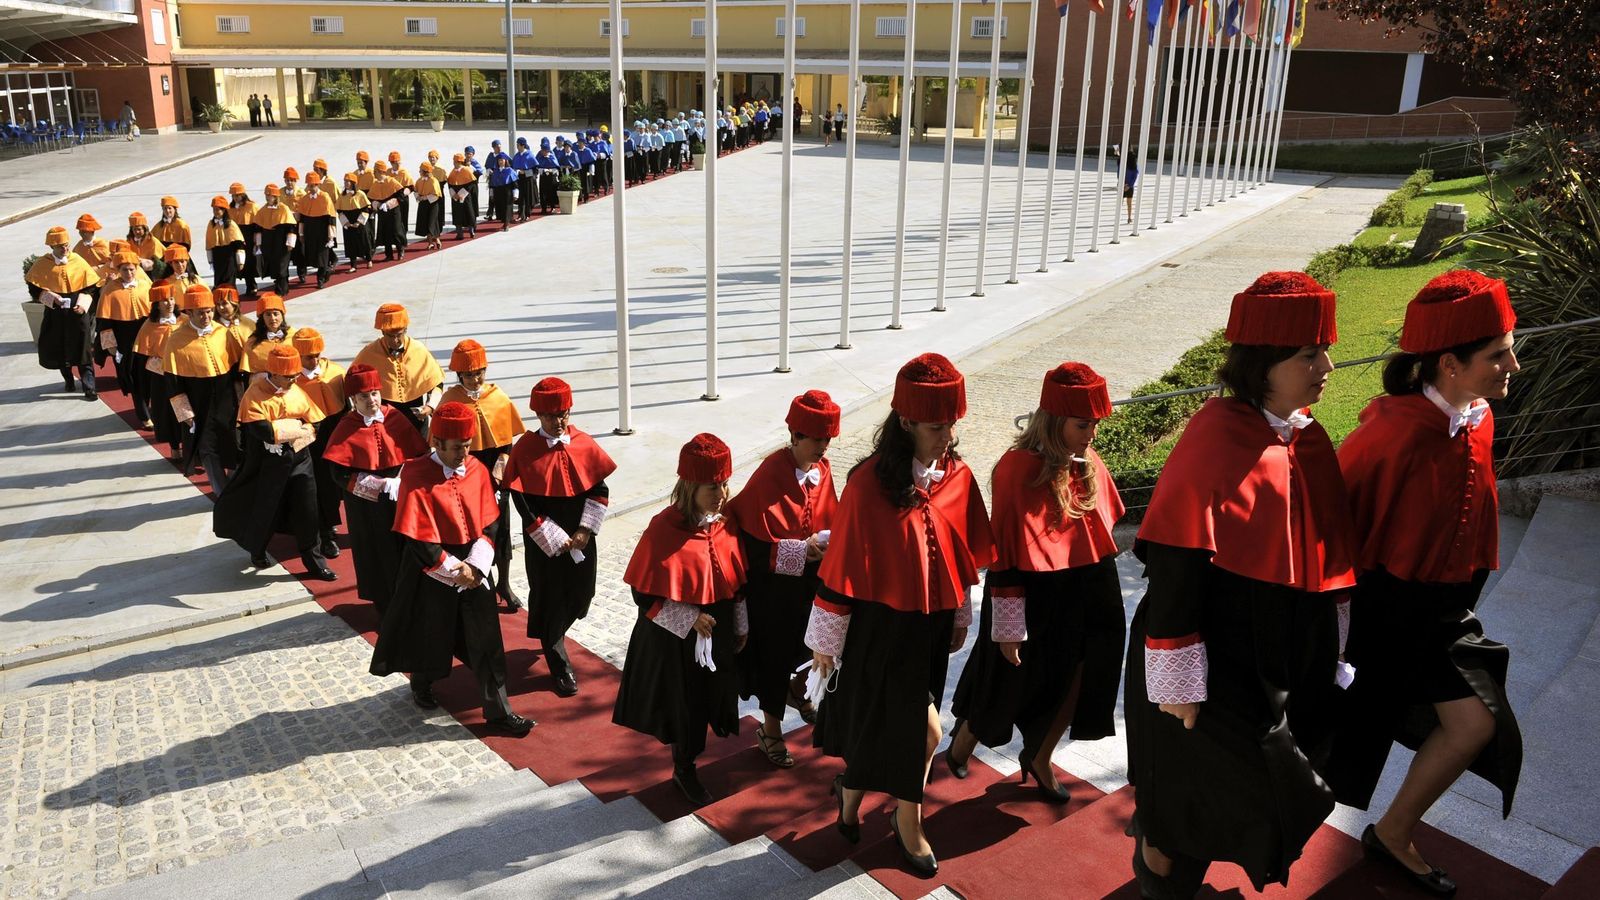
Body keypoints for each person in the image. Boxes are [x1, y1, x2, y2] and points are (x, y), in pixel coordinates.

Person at [1124, 271, 1356, 897]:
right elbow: (1174, 566)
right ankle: (1156, 861)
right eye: (1309, 354)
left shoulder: (1305, 435)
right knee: (1217, 797)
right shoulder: (1215, 436)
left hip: (1273, 652)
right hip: (1209, 657)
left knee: (1225, 795)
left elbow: (1322, 552)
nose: (1326, 365)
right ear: (1264, 363)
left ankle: (1163, 856)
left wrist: (1329, 647)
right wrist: (1177, 685)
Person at [1326, 270, 1524, 897]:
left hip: (1443, 615)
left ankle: (1393, 832)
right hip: (1381, 617)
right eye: (1498, 355)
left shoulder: (1478, 417)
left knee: (1477, 724)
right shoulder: (1388, 434)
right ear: (1449, 363)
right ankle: (1183, 833)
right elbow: (1322, 521)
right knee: (1327, 761)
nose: (1512, 365)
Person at [805, 353, 994, 879]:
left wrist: (959, 615)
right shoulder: (867, 482)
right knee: (926, 734)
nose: (947, 436)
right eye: (937, 427)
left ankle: (850, 795)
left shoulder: (958, 476)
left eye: (952, 425)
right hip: (879, 632)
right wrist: (825, 643)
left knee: (886, 735)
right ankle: (908, 822)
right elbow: (841, 568)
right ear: (906, 422)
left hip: (929, 629)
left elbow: (962, 552)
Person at [946, 363, 1126, 803]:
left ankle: (1040, 756)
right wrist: (1009, 625)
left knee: (1084, 674)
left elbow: (1100, 528)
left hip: (1090, 586)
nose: (1092, 435)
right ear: (1054, 420)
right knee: (1005, 677)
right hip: (1030, 591)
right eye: (1083, 424)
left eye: (1096, 425)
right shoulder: (1015, 468)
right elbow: (1006, 552)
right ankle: (963, 741)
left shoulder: (1087, 458)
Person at [369, 401, 536, 738]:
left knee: (487, 642)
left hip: (474, 564)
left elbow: (489, 521)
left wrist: (477, 565)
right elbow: (417, 537)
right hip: (430, 568)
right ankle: (423, 679)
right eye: (458, 447)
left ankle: (499, 712)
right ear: (436, 443)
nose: (465, 453)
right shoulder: (415, 474)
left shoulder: (475, 469)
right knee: (434, 637)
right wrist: (451, 569)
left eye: (468, 445)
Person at [613, 434, 749, 806]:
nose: (720, 493)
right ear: (689, 486)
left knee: (711, 698)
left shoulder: (724, 523)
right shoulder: (663, 528)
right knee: (686, 705)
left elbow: (735, 582)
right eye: (711, 486)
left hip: (717, 629)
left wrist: (740, 624)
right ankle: (684, 768)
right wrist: (689, 618)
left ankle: (691, 756)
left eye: (723, 483)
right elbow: (644, 595)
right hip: (678, 640)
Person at [727, 390, 840, 768]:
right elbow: (751, 544)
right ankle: (770, 730)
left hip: (810, 584)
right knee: (774, 659)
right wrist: (798, 550)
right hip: (772, 591)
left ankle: (798, 688)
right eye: (816, 440)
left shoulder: (823, 472)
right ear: (795, 436)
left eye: (827, 440)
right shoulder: (770, 473)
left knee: (817, 646)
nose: (822, 447)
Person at [505, 377, 616, 697]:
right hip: (544, 540)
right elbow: (523, 503)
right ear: (539, 415)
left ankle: (551, 631)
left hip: (582, 535)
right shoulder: (525, 450)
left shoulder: (583, 442)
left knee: (583, 595)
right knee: (552, 598)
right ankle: (558, 660)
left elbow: (600, 489)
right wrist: (552, 537)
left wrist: (584, 531)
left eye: (564, 414)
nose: (559, 422)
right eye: (553, 417)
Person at [212, 343, 336, 579]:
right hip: (268, 464)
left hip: (301, 460)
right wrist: (297, 426)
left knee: (308, 510)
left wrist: (286, 429)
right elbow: (263, 431)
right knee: (265, 509)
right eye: (288, 377)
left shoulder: (297, 390)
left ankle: (314, 561)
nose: (293, 380)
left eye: (294, 375)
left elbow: (316, 423)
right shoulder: (254, 393)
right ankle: (257, 549)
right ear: (274, 373)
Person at [322, 363, 428, 617]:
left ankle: (411, 599)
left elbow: (418, 453)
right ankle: (385, 606)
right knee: (377, 554)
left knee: (406, 549)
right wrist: (380, 485)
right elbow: (339, 473)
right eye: (363, 396)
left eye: (374, 394)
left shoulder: (394, 416)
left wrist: (405, 478)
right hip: (367, 507)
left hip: (401, 497)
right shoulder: (347, 426)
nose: (371, 400)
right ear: (353, 399)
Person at [439, 340, 526, 610]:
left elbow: (507, 442)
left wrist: (500, 469)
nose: (476, 379)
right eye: (469, 374)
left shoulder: (497, 397)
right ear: (459, 375)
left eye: (480, 372)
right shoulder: (451, 401)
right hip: (463, 471)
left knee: (501, 530)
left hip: (496, 474)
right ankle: (475, 577)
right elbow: (442, 442)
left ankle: (505, 582)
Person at [163, 284, 244, 494]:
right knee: (208, 447)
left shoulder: (223, 332)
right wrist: (184, 413)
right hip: (198, 399)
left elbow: (236, 370)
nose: (206, 316)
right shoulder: (176, 339)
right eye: (201, 313)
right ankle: (221, 491)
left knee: (233, 442)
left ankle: (232, 486)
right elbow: (172, 381)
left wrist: (242, 398)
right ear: (189, 312)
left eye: (209, 311)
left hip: (226, 397)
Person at [27, 226, 105, 400]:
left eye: (67, 245)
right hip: (56, 314)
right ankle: (68, 379)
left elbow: (91, 287)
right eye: (61, 246)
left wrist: (83, 304)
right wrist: (48, 295)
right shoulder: (42, 264)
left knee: (84, 349)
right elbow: (33, 288)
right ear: (52, 247)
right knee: (60, 348)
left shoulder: (77, 260)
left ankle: (89, 387)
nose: (65, 249)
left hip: (77, 313)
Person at [293, 327, 348, 561]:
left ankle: (329, 522)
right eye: (307, 356)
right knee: (315, 487)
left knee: (334, 486)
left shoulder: (335, 371)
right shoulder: (291, 378)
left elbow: (346, 405)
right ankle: (325, 535)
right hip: (308, 437)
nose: (313, 360)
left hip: (335, 433)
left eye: (316, 354)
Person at [351, 303, 443, 433]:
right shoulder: (368, 353)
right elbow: (352, 383)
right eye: (390, 336)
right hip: (384, 420)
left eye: (399, 335)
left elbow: (437, 383)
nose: (395, 341)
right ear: (382, 332)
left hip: (416, 419)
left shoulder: (419, 349)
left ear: (405, 330)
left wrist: (430, 406)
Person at [93, 250, 151, 414]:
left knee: (149, 375)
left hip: (146, 339)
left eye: (132, 269)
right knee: (134, 377)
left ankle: (148, 407)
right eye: (125, 270)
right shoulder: (110, 290)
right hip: (125, 341)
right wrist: (111, 348)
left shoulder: (145, 286)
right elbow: (104, 322)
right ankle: (143, 413)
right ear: (119, 270)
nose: (129, 273)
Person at [133, 284, 180, 448]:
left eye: (172, 299)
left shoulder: (185, 320)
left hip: (186, 372)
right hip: (161, 377)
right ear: (157, 305)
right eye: (164, 301)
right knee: (167, 411)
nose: (170, 304)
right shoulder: (149, 325)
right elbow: (142, 356)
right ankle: (174, 446)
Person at [295, 172, 339, 289]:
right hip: (310, 231)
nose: (310, 188)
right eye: (309, 185)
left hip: (322, 231)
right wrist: (301, 233)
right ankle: (327, 270)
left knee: (322, 256)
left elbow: (330, 218)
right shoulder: (304, 199)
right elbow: (302, 218)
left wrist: (331, 236)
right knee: (312, 256)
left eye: (313, 185)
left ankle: (320, 278)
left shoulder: (325, 197)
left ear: (317, 185)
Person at [253, 184, 298, 296]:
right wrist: (258, 244)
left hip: (281, 240)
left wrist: (290, 242)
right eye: (266, 195)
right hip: (269, 241)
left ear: (276, 196)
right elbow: (258, 227)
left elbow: (291, 227)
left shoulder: (283, 208)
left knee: (281, 264)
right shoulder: (263, 209)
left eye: (270, 195)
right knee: (273, 264)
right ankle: (281, 285)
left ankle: (281, 289)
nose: (268, 197)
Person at [239, 292, 290, 377]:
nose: (272, 318)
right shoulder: (253, 343)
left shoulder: (293, 335)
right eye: (268, 314)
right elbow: (249, 375)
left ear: (282, 315)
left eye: (276, 314)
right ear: (262, 318)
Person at [204, 195, 247, 292]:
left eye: (218, 210)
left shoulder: (231, 224)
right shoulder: (211, 224)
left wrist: (240, 261)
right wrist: (210, 260)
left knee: (229, 282)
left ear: (224, 211)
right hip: (217, 257)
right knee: (218, 281)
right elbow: (209, 244)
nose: (215, 212)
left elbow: (239, 244)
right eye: (214, 210)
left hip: (229, 258)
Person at [367, 161, 406, 262]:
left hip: (393, 211)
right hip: (382, 212)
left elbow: (401, 196)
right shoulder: (375, 184)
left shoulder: (392, 181)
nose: (373, 173)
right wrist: (377, 204)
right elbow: (370, 199)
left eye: (375, 171)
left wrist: (389, 204)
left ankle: (400, 250)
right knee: (385, 232)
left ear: (380, 172)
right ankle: (389, 254)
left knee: (396, 231)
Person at [227, 183, 260, 296]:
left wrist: (257, 240)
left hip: (249, 237)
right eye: (233, 195)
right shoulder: (229, 209)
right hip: (235, 238)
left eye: (238, 195)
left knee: (249, 262)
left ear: (243, 194)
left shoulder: (252, 206)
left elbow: (258, 224)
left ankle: (251, 285)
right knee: (236, 262)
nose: (236, 197)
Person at [336, 174, 374, 272]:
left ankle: (369, 259)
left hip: (359, 221)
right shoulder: (342, 195)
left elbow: (366, 209)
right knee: (350, 243)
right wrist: (345, 223)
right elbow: (339, 211)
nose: (345, 183)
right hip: (348, 222)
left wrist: (359, 222)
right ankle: (353, 265)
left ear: (353, 183)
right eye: (345, 181)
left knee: (364, 240)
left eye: (347, 181)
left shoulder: (360, 194)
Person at [412, 162, 444, 251]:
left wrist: (424, 197)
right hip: (423, 205)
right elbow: (416, 191)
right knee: (425, 223)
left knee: (432, 223)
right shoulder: (419, 180)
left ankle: (437, 239)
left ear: (425, 171)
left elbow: (436, 195)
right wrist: (418, 197)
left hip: (432, 204)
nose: (419, 171)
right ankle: (430, 243)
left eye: (420, 170)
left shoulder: (434, 181)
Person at [386, 151, 413, 240]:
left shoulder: (404, 172)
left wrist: (404, 193)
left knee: (402, 220)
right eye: (394, 162)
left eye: (398, 162)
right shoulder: (387, 173)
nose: (396, 164)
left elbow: (411, 186)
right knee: (391, 221)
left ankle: (403, 240)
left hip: (402, 199)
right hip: (391, 199)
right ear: (390, 163)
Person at [487, 155, 516, 229]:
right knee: (500, 208)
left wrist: (515, 194)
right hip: (498, 192)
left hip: (507, 192)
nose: (500, 162)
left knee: (507, 208)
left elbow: (515, 184)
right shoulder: (495, 171)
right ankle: (504, 222)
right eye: (499, 160)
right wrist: (491, 194)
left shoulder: (510, 171)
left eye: (502, 160)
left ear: (505, 161)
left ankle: (506, 224)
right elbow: (492, 185)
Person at [511, 137, 536, 221]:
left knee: (527, 197)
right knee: (520, 197)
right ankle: (520, 214)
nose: (517, 147)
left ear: (523, 145)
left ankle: (527, 214)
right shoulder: (517, 155)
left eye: (518, 145)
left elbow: (535, 170)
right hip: (519, 179)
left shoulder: (529, 155)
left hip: (527, 179)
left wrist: (525, 172)